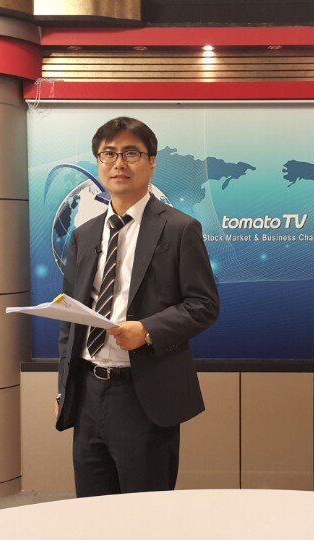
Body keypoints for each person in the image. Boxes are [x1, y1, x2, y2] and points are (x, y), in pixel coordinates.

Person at [54, 117, 219, 497]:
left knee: (145, 513)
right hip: (88, 393)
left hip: (143, 395)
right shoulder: (83, 235)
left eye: (131, 153)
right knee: (92, 508)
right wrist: (64, 389)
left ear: (151, 161)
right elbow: (70, 318)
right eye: (108, 154)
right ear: (98, 162)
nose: (119, 163)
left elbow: (204, 305)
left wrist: (147, 330)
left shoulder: (179, 229)